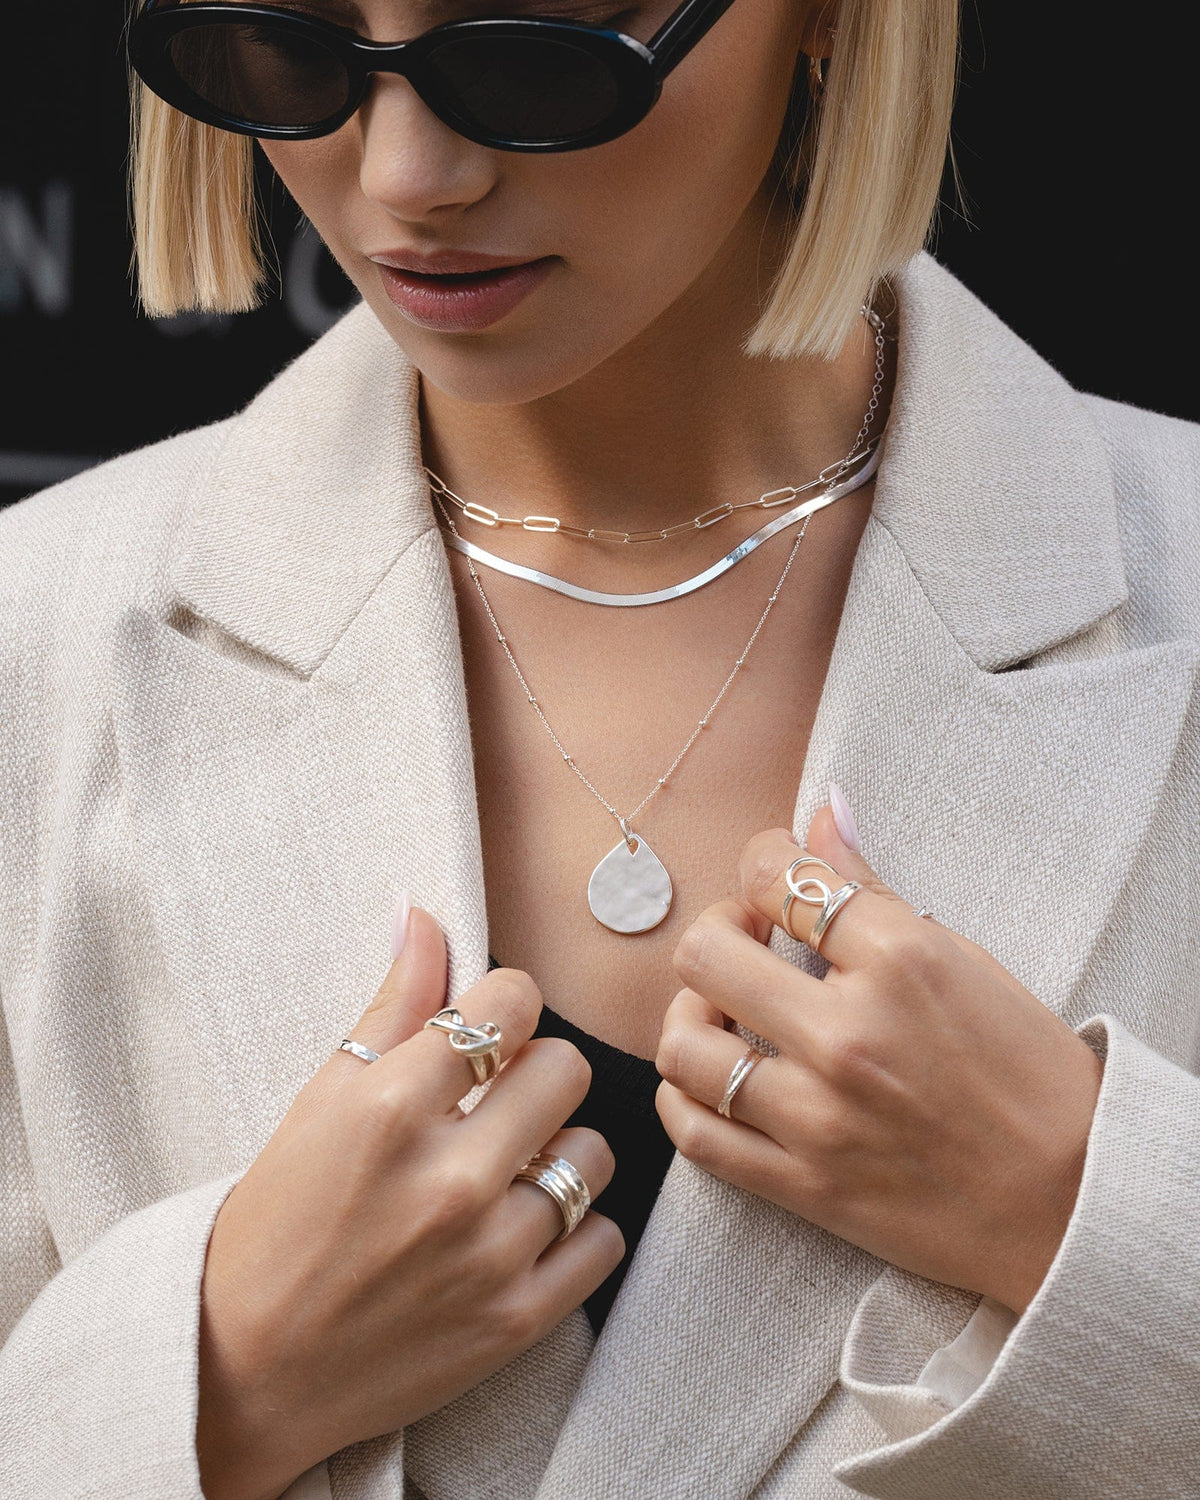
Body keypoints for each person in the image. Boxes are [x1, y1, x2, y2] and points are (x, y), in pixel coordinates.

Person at [1, 0, 1197, 1493]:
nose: (405, 176)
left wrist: (1092, 1216)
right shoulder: (35, 643)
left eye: (529, 54)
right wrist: (211, 1381)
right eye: (293, 47)